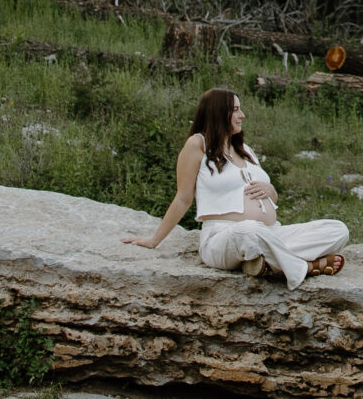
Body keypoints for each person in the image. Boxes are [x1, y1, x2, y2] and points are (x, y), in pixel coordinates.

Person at [127, 87, 348, 288]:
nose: (242, 115)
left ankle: (264, 262)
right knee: (249, 230)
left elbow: (272, 197)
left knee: (337, 230)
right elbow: (183, 198)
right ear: (218, 113)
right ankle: (306, 267)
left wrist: (271, 191)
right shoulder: (197, 145)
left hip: (271, 232)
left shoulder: (245, 150)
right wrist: (153, 240)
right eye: (236, 110)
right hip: (224, 237)